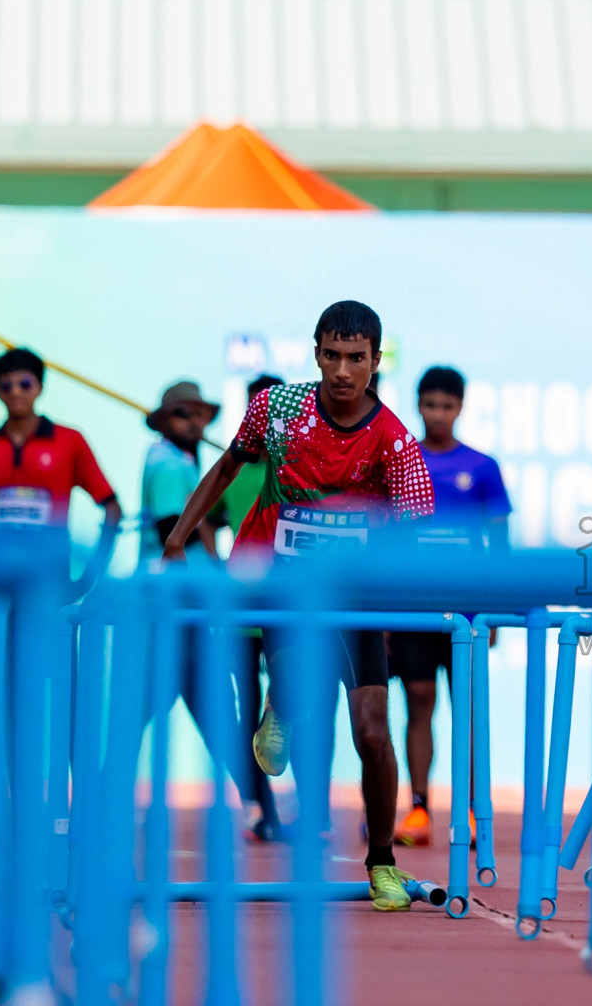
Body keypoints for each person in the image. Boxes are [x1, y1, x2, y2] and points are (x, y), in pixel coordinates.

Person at [160, 301, 435, 911]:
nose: (342, 370)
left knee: (371, 731)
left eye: (356, 358)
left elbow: (414, 536)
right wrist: (179, 536)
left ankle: (383, 864)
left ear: (374, 361)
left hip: (355, 600)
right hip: (283, 585)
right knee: (293, 681)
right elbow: (230, 465)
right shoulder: (277, 409)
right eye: (331, 356)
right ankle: (279, 711)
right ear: (316, 354)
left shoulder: (394, 442)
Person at [140, 379, 283, 840]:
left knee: (204, 711)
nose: (195, 422)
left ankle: (263, 811)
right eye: (184, 414)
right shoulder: (168, 463)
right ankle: (264, 811)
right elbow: (171, 535)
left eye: (200, 414)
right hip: (179, 605)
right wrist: (221, 579)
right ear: (165, 421)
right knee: (200, 710)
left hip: (186, 605)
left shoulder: (183, 462)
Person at [389, 365, 511, 846]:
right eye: (430, 404)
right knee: (418, 703)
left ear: (460, 408)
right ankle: (418, 810)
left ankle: (476, 812)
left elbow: (499, 547)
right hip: (413, 611)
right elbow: (387, 541)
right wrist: (385, 615)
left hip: (468, 612)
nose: (438, 414)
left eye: (448, 405)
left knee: (470, 709)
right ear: (418, 404)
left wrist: (496, 609)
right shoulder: (400, 462)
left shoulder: (482, 467)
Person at [0, 348, 121, 592]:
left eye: (25, 384)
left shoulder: (70, 441)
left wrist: (92, 574)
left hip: (49, 582)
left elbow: (112, 507)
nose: (16, 392)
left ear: (39, 387)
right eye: (6, 386)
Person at [209, 373, 286, 842]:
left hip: (288, 607)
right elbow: (207, 521)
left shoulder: (298, 469)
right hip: (241, 609)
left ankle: (305, 812)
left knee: (293, 703)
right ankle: (263, 808)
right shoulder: (235, 467)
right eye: (260, 404)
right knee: (247, 711)